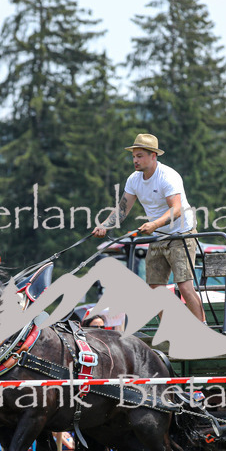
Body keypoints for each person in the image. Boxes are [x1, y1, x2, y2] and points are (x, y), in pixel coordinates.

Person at [92, 133, 205, 321]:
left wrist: (154, 224)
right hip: (158, 236)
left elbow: (176, 210)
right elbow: (122, 209)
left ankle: (203, 329)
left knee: (184, 286)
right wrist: (104, 226)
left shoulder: (168, 176)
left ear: (153, 156)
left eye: (140, 156)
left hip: (181, 234)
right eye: (134, 156)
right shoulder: (133, 180)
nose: (135, 160)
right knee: (155, 288)